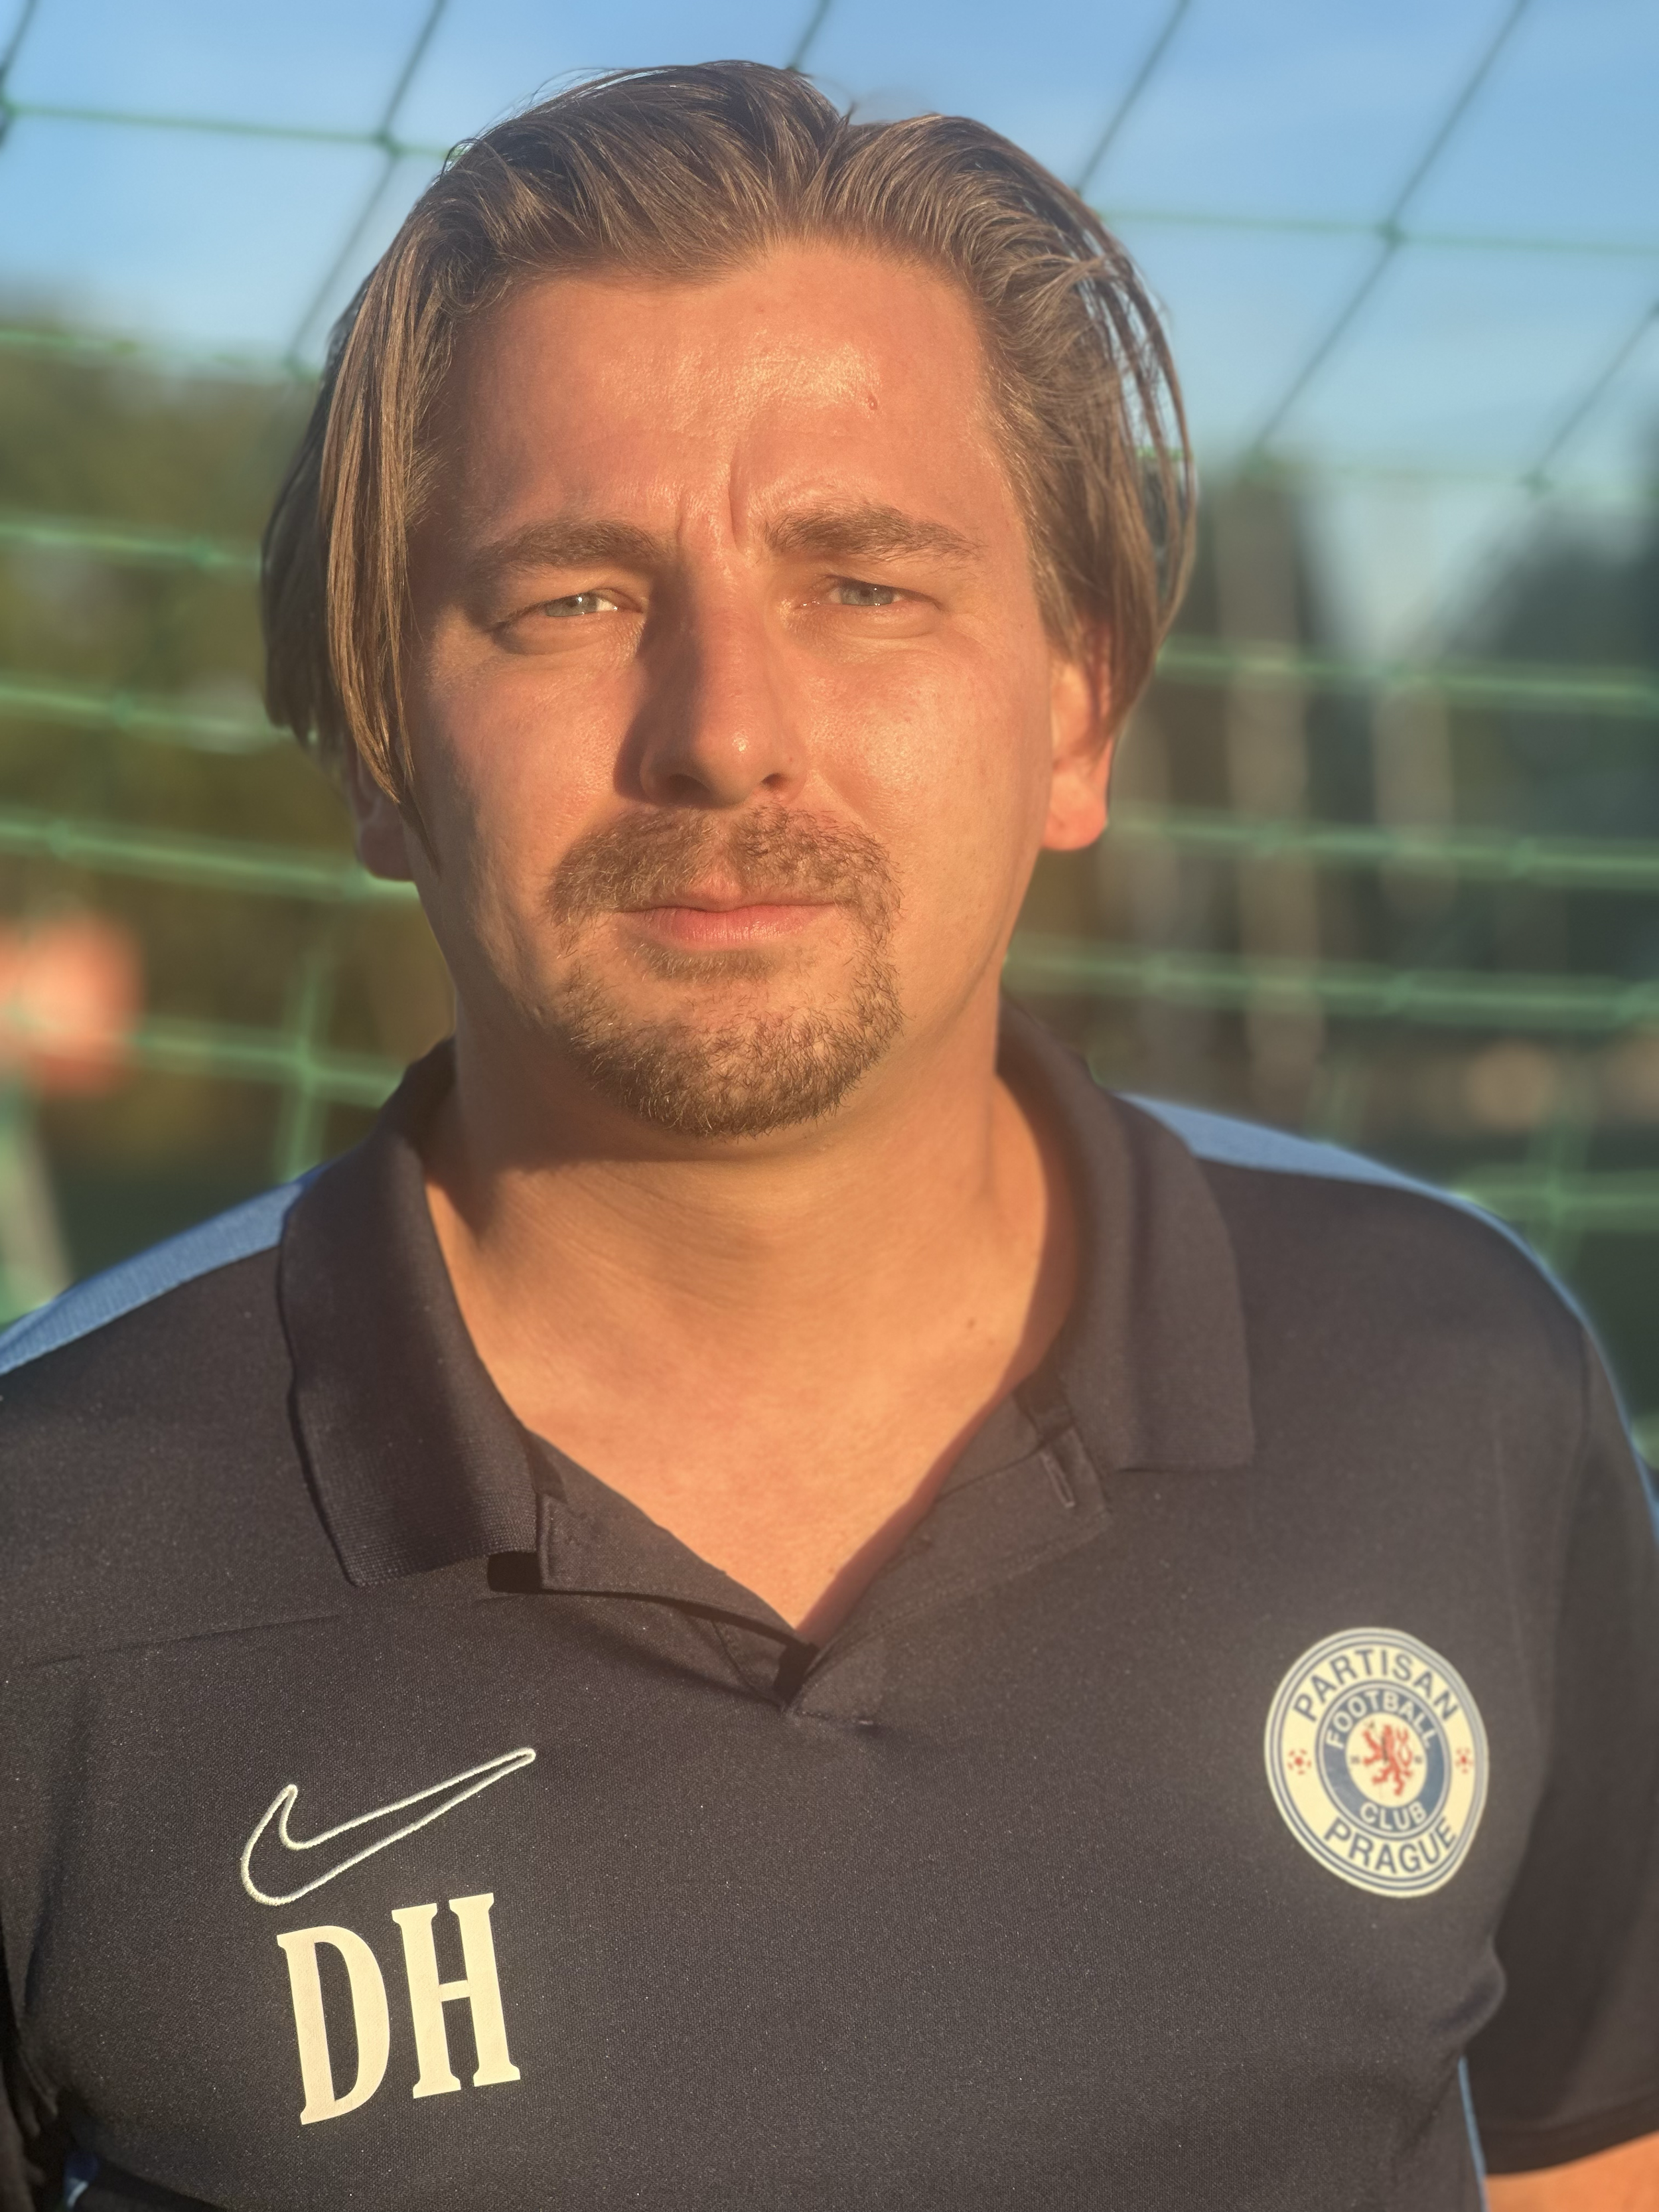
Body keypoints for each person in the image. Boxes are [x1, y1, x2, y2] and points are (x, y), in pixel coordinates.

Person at [1, 60, 1655, 2212]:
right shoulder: (50, 1552)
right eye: (570, 596)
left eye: (862, 582)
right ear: (384, 749)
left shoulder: (1456, 1375)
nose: (722, 730)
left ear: (1076, 706)